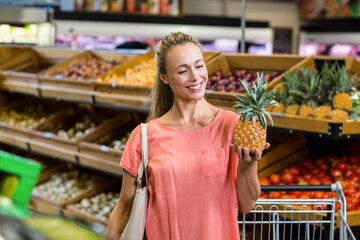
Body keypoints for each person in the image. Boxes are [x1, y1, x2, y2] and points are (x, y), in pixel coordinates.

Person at [106, 32, 269, 240]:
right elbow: (124, 209)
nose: (195, 77)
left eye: (199, 66)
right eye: (183, 71)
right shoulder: (144, 136)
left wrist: (249, 163)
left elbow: (247, 205)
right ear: (164, 77)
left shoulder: (234, 126)